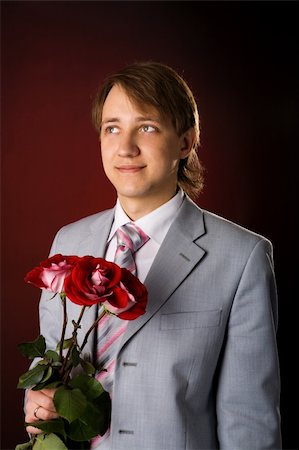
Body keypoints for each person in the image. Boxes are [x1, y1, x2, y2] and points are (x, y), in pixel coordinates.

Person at [24, 61, 281, 449]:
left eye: (146, 127)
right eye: (112, 128)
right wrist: (37, 399)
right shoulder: (68, 242)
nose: (125, 147)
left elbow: (249, 420)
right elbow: (47, 365)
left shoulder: (242, 258)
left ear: (185, 141)